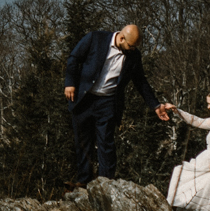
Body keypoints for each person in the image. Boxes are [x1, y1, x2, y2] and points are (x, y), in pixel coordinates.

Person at [62, 23, 173, 185]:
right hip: (84, 99)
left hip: (108, 102)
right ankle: (83, 181)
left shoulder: (134, 56)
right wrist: (70, 83)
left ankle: (105, 184)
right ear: (121, 38)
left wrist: (156, 106)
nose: (133, 49)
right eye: (130, 46)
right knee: (83, 143)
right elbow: (74, 58)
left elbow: (140, 81)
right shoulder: (95, 38)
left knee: (106, 145)